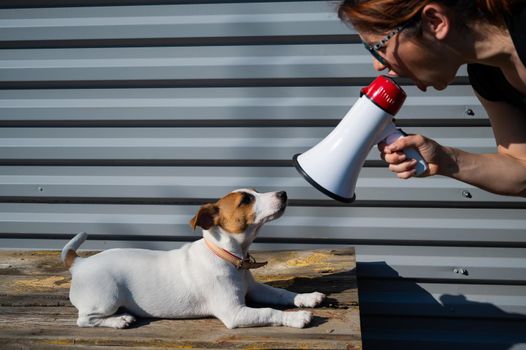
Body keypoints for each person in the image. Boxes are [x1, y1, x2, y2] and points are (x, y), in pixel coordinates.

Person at [337, 0, 526, 197]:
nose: (378, 65)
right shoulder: (487, 76)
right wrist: (445, 160)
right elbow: (522, 171)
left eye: (379, 48)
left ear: (434, 21)